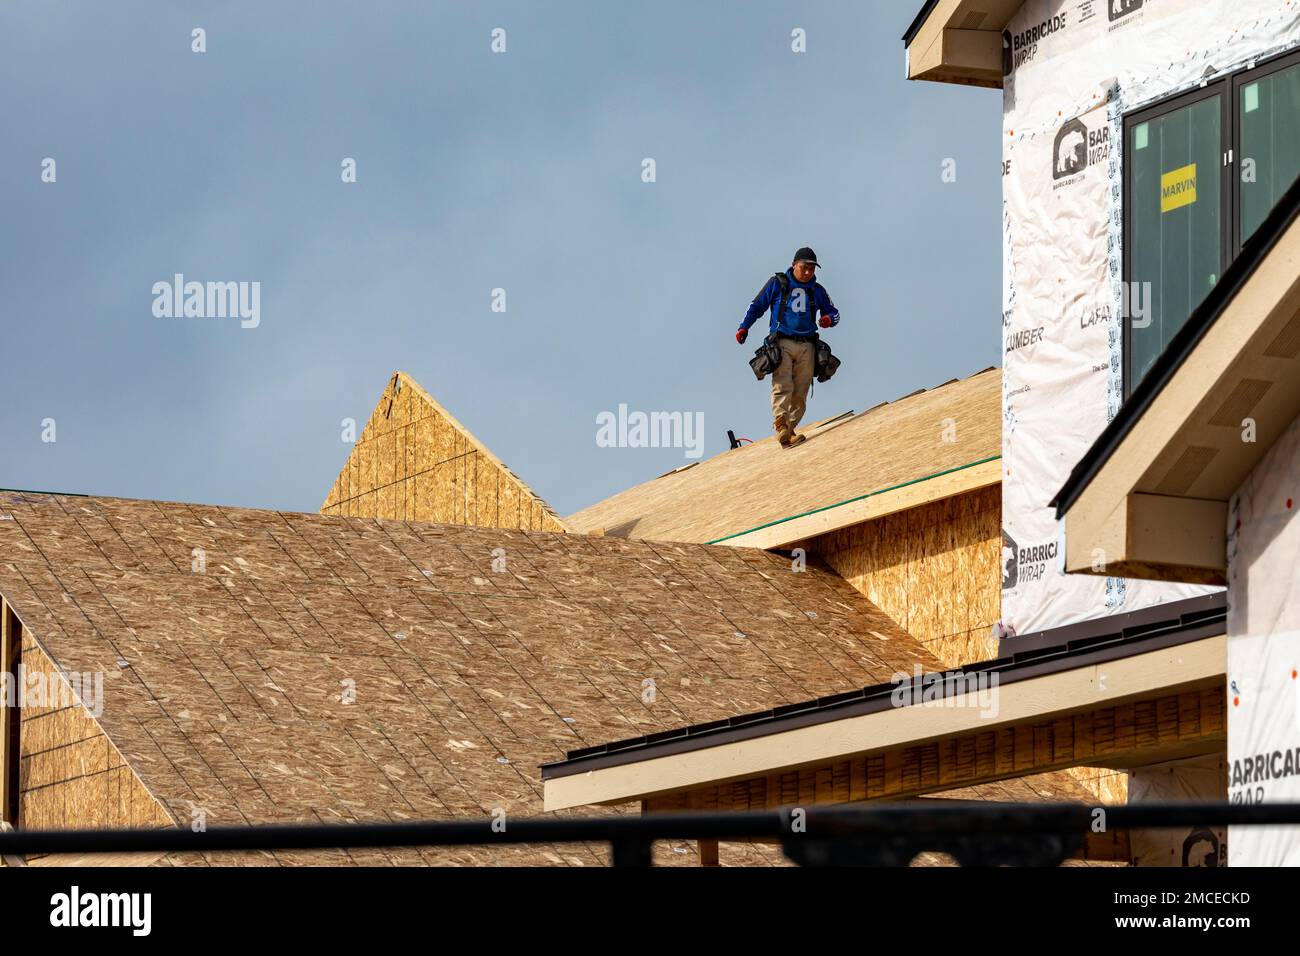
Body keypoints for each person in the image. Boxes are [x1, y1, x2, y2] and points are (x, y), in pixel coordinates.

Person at [736, 247, 840, 448]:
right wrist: (743, 327)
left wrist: (827, 319)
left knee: (800, 391)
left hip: (808, 345)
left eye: (812, 268)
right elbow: (756, 306)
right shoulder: (778, 284)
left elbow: (835, 313)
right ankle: (781, 422)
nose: (808, 272)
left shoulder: (817, 291)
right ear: (794, 265)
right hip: (782, 342)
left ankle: (788, 431)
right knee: (782, 383)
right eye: (804, 267)